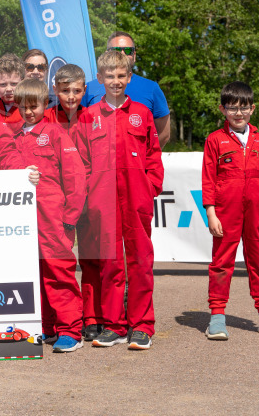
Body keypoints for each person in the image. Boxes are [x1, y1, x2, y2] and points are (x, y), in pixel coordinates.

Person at [75, 51, 163, 350]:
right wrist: (89, 196)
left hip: (136, 197)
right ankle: (114, 325)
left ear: (129, 77)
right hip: (102, 200)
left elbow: (153, 155)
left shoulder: (142, 113)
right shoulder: (88, 117)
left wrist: (150, 186)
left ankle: (142, 325)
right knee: (110, 263)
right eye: (109, 76)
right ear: (99, 79)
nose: (115, 81)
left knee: (140, 260)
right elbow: (82, 162)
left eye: (121, 75)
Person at [202, 81, 259, 340]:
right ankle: (217, 317)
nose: (238, 113)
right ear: (222, 109)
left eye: (243, 108)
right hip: (225, 211)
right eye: (232, 108)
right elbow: (208, 179)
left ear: (253, 108)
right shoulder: (214, 140)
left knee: (258, 261)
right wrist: (211, 212)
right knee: (221, 263)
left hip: (256, 213)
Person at [12, 78, 85, 352]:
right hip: (22, 219)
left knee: (58, 271)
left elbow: (76, 177)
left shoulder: (55, 134)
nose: (29, 112)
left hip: (53, 217)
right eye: (24, 107)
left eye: (34, 106)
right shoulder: (15, 137)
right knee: (32, 272)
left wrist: (70, 217)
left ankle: (71, 330)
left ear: (46, 104)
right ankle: (47, 327)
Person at [81, 32, 171, 148]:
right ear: (107, 53)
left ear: (134, 55)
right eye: (116, 50)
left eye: (128, 51)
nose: (122, 54)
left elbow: (163, 134)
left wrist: (143, 159)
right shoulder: (89, 89)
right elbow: (77, 132)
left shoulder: (151, 88)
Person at [0, 53, 26, 133]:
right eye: (3, 84)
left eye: (14, 84)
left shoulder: (32, 109)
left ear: (22, 82)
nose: (9, 89)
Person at [44, 64, 86, 131]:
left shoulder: (91, 117)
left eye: (77, 91)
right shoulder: (46, 118)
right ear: (55, 90)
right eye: (65, 91)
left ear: (84, 90)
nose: (71, 97)